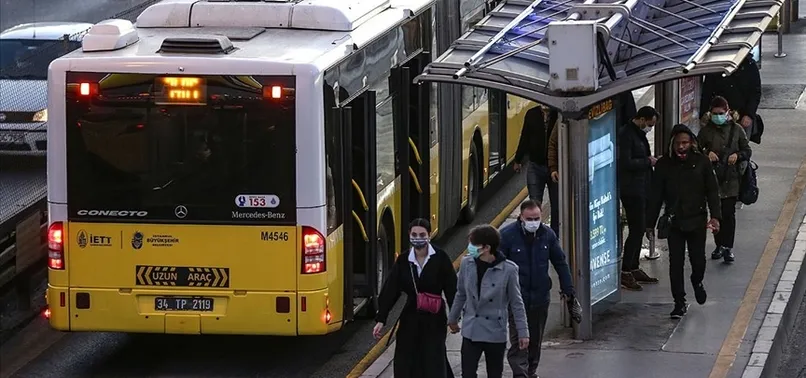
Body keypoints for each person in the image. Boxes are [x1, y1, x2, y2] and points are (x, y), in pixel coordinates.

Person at [647, 124, 722, 318]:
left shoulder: (702, 162)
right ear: (672, 144)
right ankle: (679, 302)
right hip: (675, 222)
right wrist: (650, 223)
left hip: (697, 220)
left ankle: (697, 281)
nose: (682, 147)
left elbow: (712, 191)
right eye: (678, 143)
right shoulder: (664, 165)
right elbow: (656, 196)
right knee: (675, 263)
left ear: (692, 143)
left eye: (685, 143)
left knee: (698, 261)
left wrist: (715, 216)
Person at [499, 200, 576, 378]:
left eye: (537, 218)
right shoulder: (507, 236)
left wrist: (568, 289)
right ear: (521, 218)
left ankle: (530, 371)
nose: (534, 222)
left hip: (540, 298)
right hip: (517, 299)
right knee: (520, 340)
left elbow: (560, 262)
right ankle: (521, 374)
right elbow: (497, 266)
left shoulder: (547, 235)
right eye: (529, 218)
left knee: (535, 340)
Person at [373, 218, 458, 378]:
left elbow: (452, 289)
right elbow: (391, 289)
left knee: (433, 359)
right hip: (410, 318)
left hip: (435, 319)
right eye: (414, 234)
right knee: (406, 360)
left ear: (429, 236)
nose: (418, 238)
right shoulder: (404, 260)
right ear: (409, 235)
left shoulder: (441, 258)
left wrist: (454, 317)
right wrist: (381, 318)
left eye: (422, 234)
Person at [448, 224, 529, 378]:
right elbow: (461, 294)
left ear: (486, 248)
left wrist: (523, 333)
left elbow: (517, 304)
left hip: (495, 332)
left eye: (473, 244)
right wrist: (452, 318)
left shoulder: (509, 270)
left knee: (494, 374)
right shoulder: (467, 263)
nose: (470, 248)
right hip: (471, 330)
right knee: (468, 374)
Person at [697, 96, 752, 263]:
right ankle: (719, 245)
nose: (717, 116)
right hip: (712, 179)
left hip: (731, 178)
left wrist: (738, 155)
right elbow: (697, 150)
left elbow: (747, 150)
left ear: (728, 112)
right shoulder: (706, 131)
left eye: (720, 113)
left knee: (729, 214)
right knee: (716, 214)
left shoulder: (737, 130)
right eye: (714, 113)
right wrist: (707, 154)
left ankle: (728, 247)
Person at [617, 106, 661, 291]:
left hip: (641, 187)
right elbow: (626, 162)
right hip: (631, 189)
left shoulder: (637, 134)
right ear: (642, 119)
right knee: (636, 230)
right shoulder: (627, 135)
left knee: (640, 228)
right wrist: (648, 161)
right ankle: (626, 270)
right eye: (649, 124)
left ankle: (633, 267)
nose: (650, 128)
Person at [514, 105, 560, 236]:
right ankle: (536, 235)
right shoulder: (531, 114)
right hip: (535, 165)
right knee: (534, 203)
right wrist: (518, 159)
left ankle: (554, 236)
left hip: (555, 168)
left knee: (557, 206)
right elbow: (525, 137)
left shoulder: (559, 115)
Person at [699, 55, 761, 138]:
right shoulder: (717, 66)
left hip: (741, 115)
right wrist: (704, 113)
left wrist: (749, 114)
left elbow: (755, 93)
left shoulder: (749, 65)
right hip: (718, 115)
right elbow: (707, 92)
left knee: (740, 144)